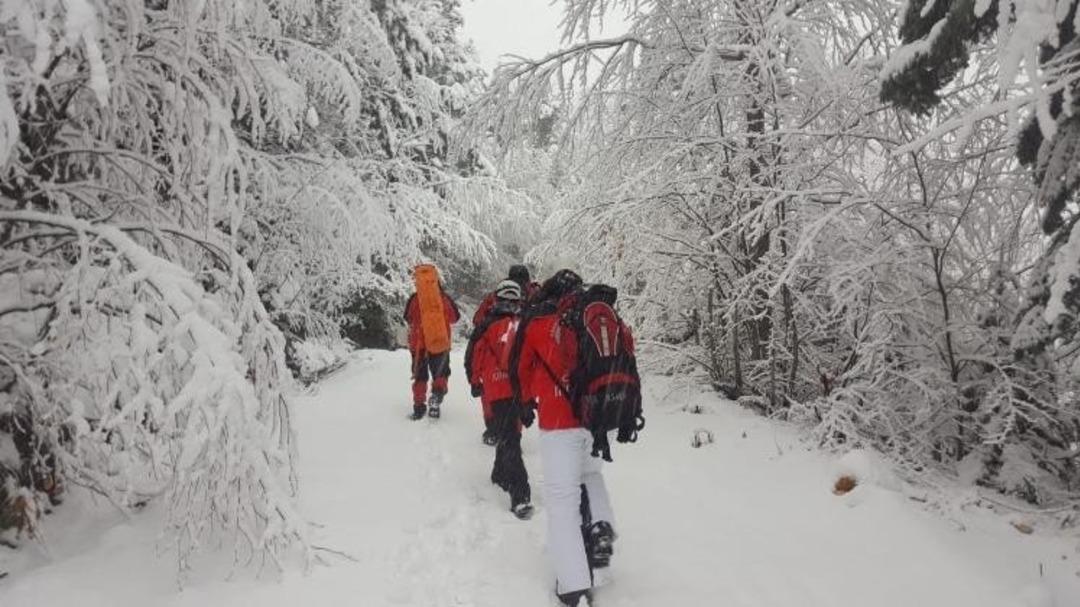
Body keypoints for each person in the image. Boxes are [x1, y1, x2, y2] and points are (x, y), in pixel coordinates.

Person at [510, 269, 623, 607]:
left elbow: (521, 371)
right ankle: (601, 525)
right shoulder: (598, 316)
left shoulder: (538, 323)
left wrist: (527, 403)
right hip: (600, 419)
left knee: (561, 502)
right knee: (591, 474)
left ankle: (573, 586)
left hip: (559, 423)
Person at [464, 280, 533, 518]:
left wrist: (474, 381)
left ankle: (507, 482)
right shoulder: (524, 325)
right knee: (511, 436)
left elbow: (474, 354)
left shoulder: (486, 325)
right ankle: (516, 490)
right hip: (518, 389)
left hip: (496, 389)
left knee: (508, 436)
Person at [403, 269, 461, 420]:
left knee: (420, 376)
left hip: (419, 345)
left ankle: (418, 407)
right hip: (439, 342)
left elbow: (408, 317)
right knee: (441, 373)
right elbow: (455, 317)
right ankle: (436, 396)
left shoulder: (415, 299)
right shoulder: (443, 298)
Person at [473, 264, 541, 327]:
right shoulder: (538, 296)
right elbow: (478, 320)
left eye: (521, 283)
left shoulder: (498, 295)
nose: (519, 288)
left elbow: (478, 320)